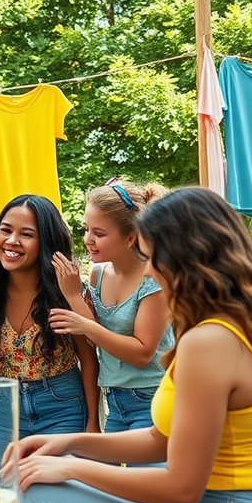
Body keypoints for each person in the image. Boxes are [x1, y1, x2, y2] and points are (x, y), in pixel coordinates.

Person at [15, 187, 252, 503]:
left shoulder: (211, 342)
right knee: (37, 484)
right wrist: (69, 444)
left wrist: (71, 471)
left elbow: (181, 487)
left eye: (151, 259)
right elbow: (161, 441)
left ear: (186, 257)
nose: (148, 273)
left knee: (37, 493)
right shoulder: (221, 328)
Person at [48, 178, 174, 431]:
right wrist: (73, 297)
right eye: (86, 229)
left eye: (99, 233)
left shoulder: (153, 281)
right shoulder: (99, 274)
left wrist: (80, 318)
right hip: (114, 400)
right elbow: (97, 339)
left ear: (130, 238)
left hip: (151, 397)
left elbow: (142, 354)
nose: (88, 239)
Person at [0, 195, 100, 446]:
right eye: (5, 230)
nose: (12, 241)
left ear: (45, 242)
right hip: (7, 407)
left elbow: (89, 357)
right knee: (10, 485)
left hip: (62, 404)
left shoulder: (65, 291)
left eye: (26, 234)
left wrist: (92, 422)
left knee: (59, 484)